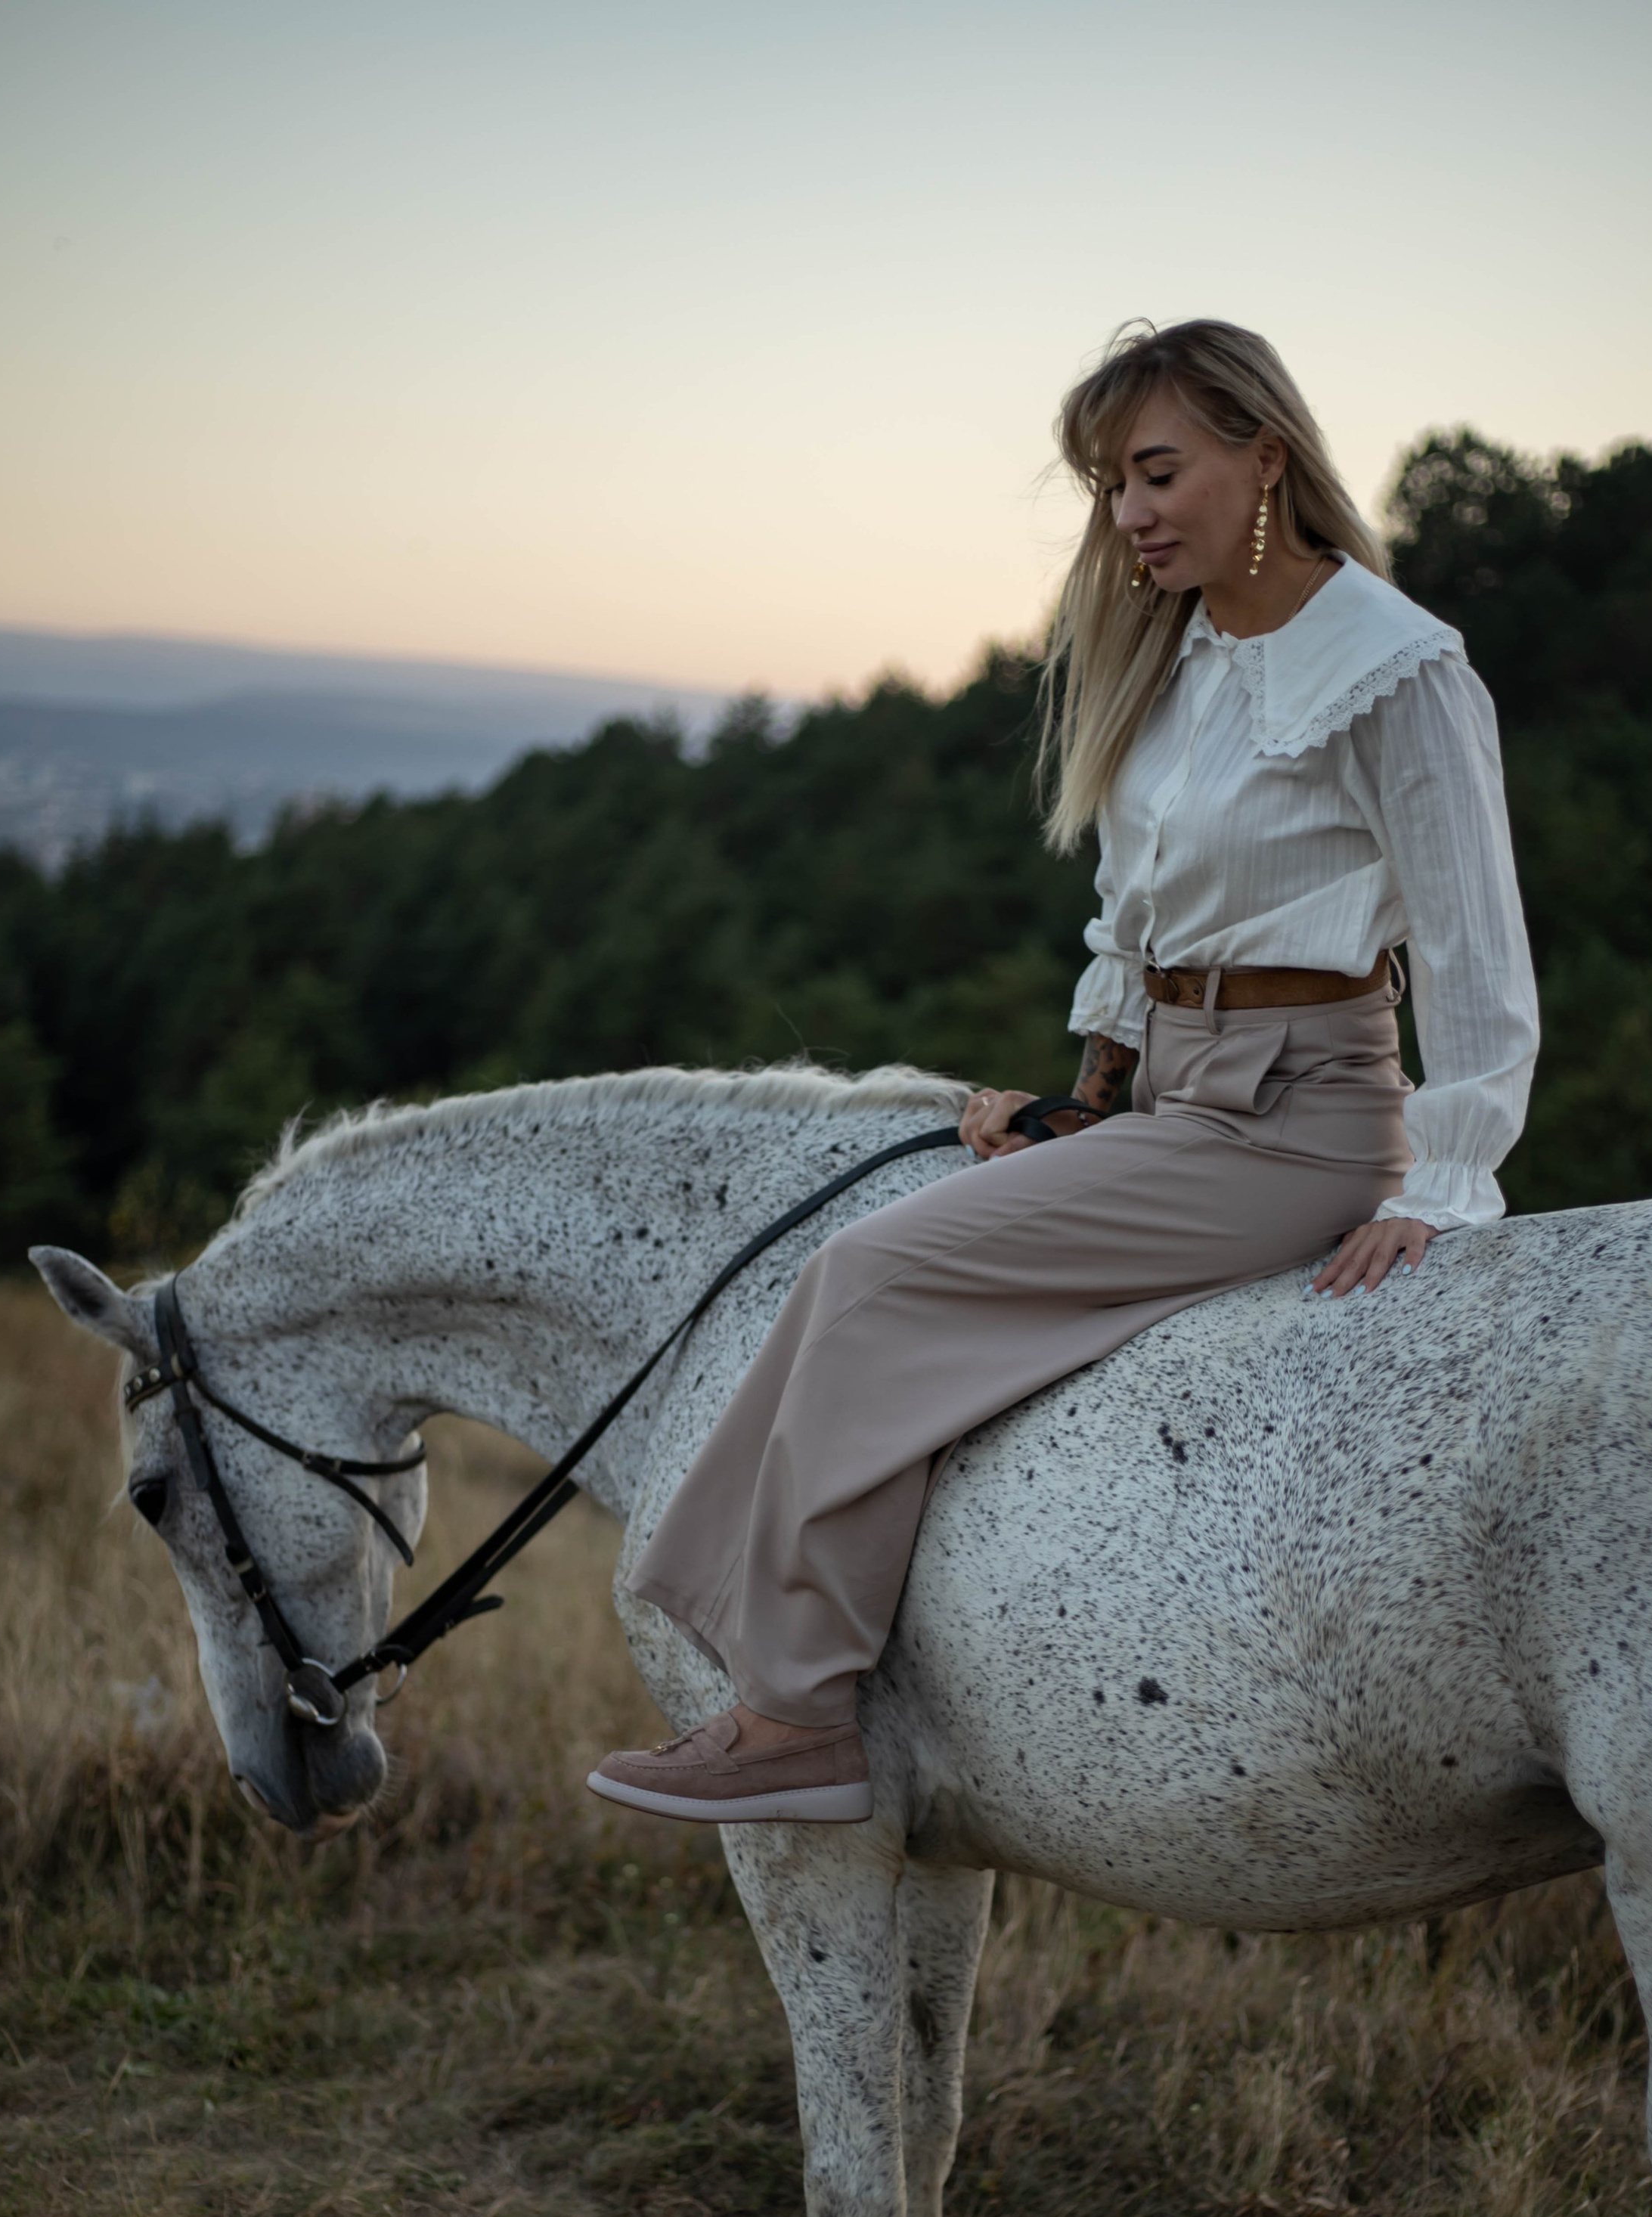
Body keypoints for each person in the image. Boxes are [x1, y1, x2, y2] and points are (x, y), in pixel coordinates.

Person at [588, 317, 1539, 1827]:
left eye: (1155, 473)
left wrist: (1442, 1180)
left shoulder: (1394, 670)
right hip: (1176, 1100)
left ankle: (794, 1717)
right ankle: (746, 1665)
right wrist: (1079, 1106)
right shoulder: (1179, 662)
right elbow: (1131, 924)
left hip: (1295, 1124)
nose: (1129, 516)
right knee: (862, 1258)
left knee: (872, 1278)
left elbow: (1478, 956)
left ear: (1263, 456)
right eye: (1108, 486)